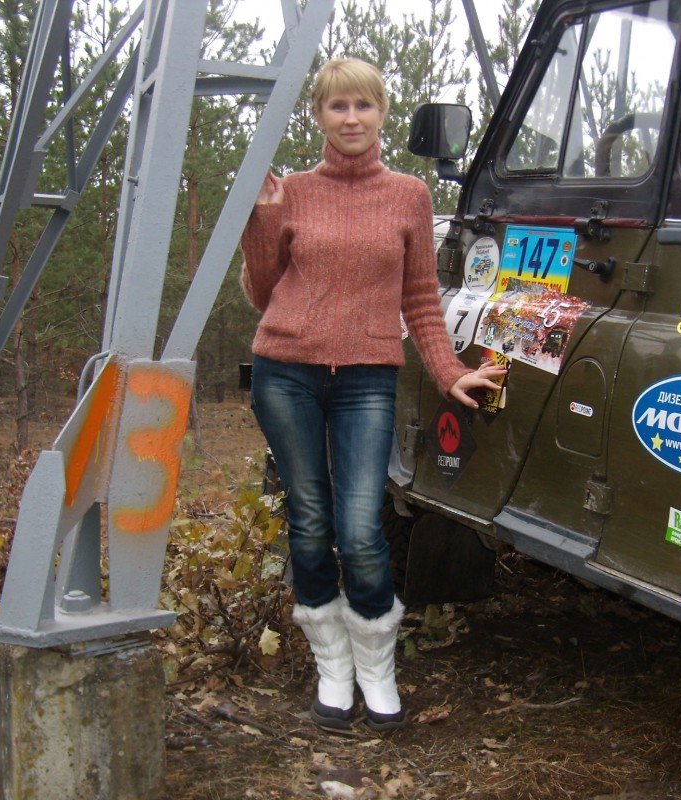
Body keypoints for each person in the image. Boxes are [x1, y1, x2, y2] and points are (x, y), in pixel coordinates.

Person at [240, 57, 505, 733]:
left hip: (366, 378)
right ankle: (333, 669)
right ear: (318, 116)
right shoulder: (292, 191)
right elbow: (263, 292)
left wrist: (448, 372)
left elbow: (420, 298)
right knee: (310, 522)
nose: (351, 118)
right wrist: (260, 221)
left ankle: (377, 670)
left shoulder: (409, 195)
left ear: (382, 113)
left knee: (360, 530)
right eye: (337, 106)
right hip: (286, 372)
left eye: (363, 105)